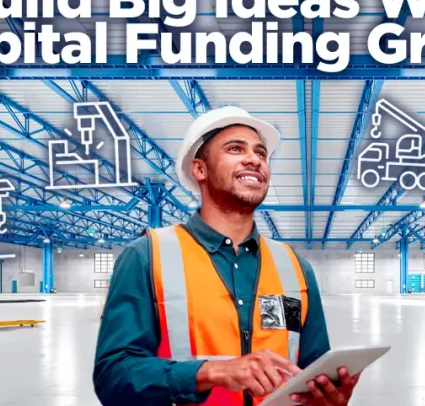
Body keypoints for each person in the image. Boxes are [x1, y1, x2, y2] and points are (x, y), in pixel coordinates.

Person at [93, 106, 361, 406]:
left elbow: (310, 370)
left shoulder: (294, 267)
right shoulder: (147, 256)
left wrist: (327, 398)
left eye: (261, 153)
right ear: (200, 170)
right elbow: (113, 376)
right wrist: (210, 372)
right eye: (235, 148)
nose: (254, 159)